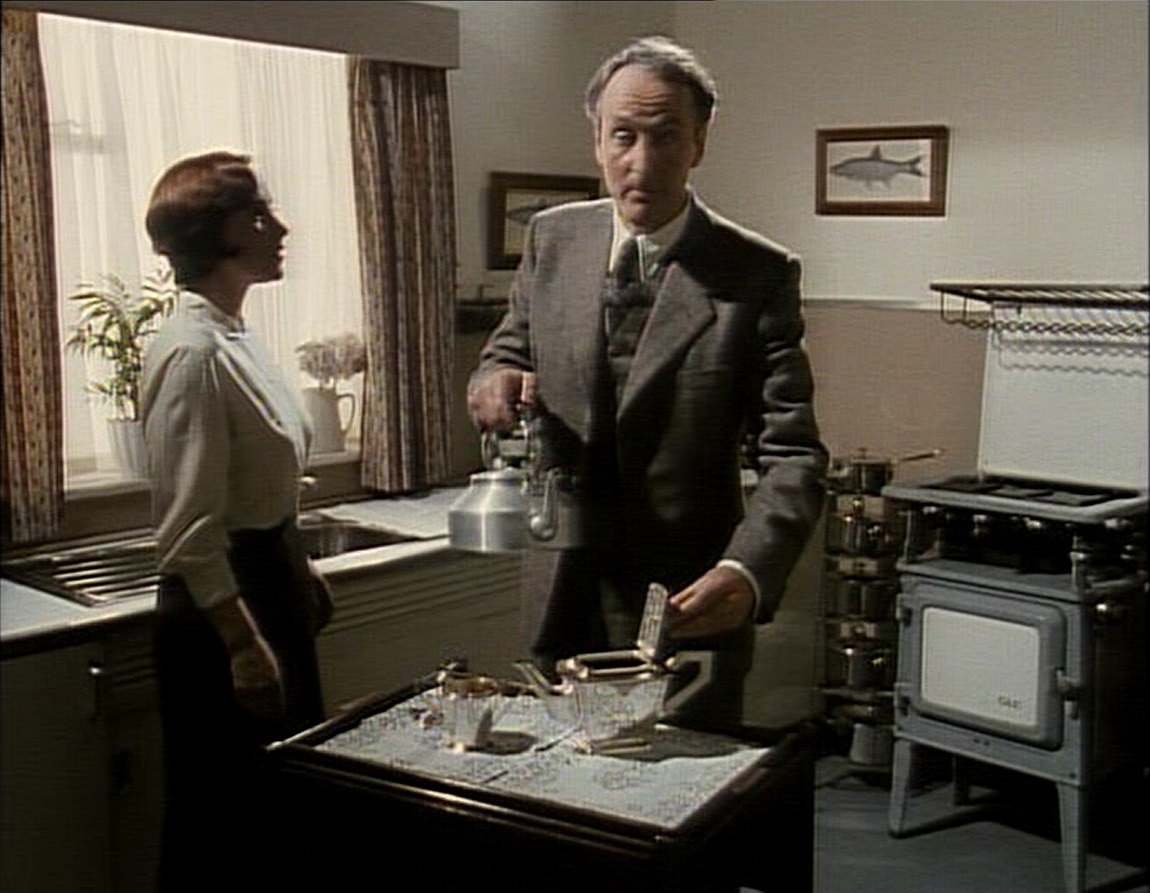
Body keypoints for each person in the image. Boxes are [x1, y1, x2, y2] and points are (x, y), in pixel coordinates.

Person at [467, 36, 828, 728]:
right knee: (553, 780)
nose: (641, 162)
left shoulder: (755, 273)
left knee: (679, 789)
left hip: (686, 606)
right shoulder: (551, 239)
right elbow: (505, 352)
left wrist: (747, 571)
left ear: (699, 144)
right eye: (623, 136)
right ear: (597, 140)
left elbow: (795, 455)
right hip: (559, 595)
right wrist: (492, 382)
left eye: (665, 137)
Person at [141, 150, 332, 890]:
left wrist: (298, 564)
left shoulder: (234, 336)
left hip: (268, 582)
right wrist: (244, 645)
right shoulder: (190, 353)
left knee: (277, 812)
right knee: (221, 821)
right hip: (222, 612)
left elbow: (258, 482)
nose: (279, 229)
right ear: (213, 234)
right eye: (258, 215)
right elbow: (189, 527)